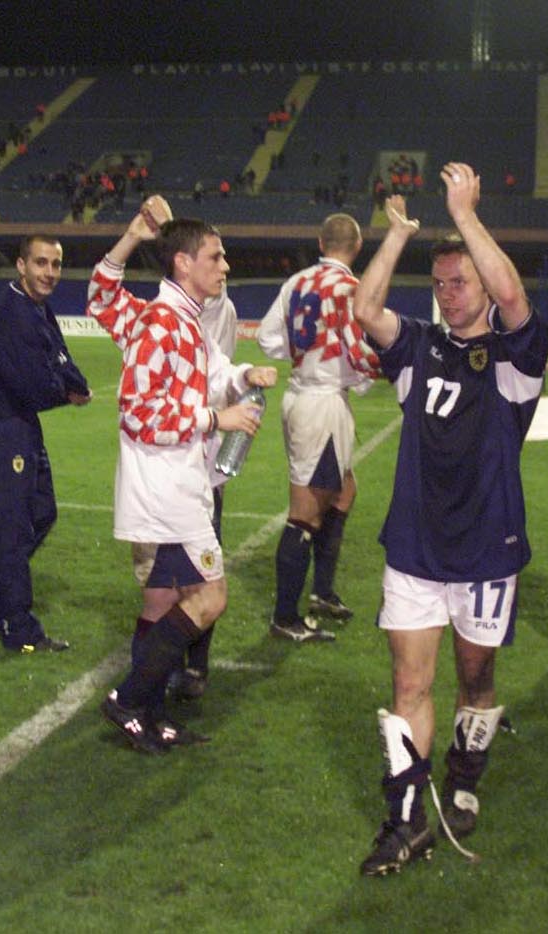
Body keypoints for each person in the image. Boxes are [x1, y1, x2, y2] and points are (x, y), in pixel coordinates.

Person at [350, 168, 548, 876]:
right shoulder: (417, 346)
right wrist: (397, 234)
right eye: (438, 284)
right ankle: (404, 821)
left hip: (487, 551)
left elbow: (514, 296)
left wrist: (465, 218)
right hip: (413, 547)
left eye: (458, 282)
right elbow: (365, 309)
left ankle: (464, 776)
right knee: (409, 687)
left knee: (475, 677)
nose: (447, 294)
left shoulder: (515, 359)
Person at [89, 196, 278, 753]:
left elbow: (212, 370)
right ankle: (129, 700)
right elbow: (139, 414)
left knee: (160, 604)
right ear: (183, 264)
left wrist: (243, 373)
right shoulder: (162, 325)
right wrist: (218, 417)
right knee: (210, 597)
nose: (224, 267)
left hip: (172, 483)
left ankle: (147, 712)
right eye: (215, 257)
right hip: (168, 489)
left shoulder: (180, 319)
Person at [0, 235, 92, 653]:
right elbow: (33, 385)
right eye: (41, 263)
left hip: (20, 427)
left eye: (55, 264)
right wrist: (66, 393)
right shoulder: (13, 313)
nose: (49, 273)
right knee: (10, 528)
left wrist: (74, 384)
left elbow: (61, 359)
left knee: (41, 512)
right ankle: (18, 627)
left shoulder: (36, 309)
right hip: (1, 430)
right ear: (21, 265)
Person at [256, 212, 383, 642]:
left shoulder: (297, 282)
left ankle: (323, 592)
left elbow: (268, 338)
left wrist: (301, 354)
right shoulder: (351, 289)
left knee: (344, 491)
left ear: (319, 241)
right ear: (358, 246)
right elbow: (361, 349)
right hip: (323, 403)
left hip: (302, 395)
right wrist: (362, 376)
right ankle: (285, 617)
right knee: (306, 512)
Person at [164, 283, 242, 700]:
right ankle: (171, 662)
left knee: (203, 571)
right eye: (215, 259)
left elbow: (221, 376)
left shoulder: (220, 310)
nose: (223, 270)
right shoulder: (171, 312)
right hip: (172, 459)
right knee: (171, 573)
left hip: (203, 457)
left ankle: (194, 664)